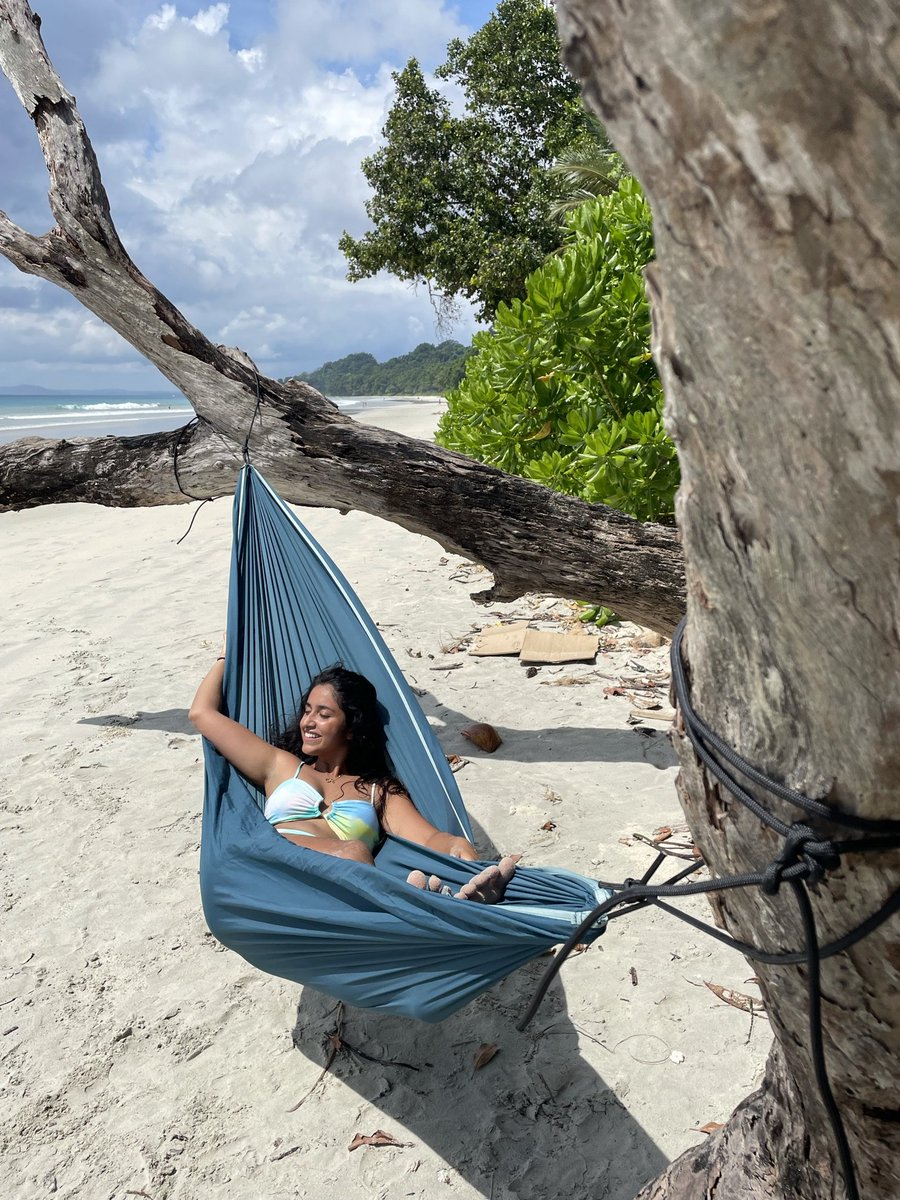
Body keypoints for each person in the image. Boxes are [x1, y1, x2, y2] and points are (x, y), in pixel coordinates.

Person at [190, 657, 519, 903]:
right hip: (275, 871)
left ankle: (451, 904)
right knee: (353, 853)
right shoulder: (280, 764)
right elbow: (202, 714)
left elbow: (428, 837)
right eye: (307, 710)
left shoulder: (378, 791)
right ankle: (415, 909)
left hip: (337, 894)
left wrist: (454, 845)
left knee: (356, 856)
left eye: (324, 714)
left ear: (351, 728)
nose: (308, 721)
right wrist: (224, 657)